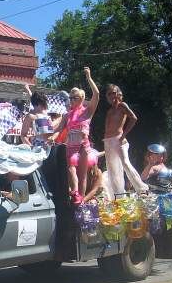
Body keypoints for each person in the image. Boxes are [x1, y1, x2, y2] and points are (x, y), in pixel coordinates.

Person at [50, 67, 100, 205]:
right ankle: (75, 192)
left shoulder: (87, 111)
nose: (71, 100)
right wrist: (51, 138)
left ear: (82, 98)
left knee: (82, 175)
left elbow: (96, 94)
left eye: (74, 98)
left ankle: (81, 201)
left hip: (83, 145)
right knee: (71, 168)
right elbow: (59, 129)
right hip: (71, 145)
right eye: (70, 98)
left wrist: (89, 78)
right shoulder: (67, 115)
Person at [103, 84, 148, 197]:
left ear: (118, 93)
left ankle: (142, 189)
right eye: (109, 94)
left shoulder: (122, 105)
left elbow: (133, 118)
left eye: (113, 92)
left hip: (119, 139)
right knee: (112, 168)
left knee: (125, 163)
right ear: (107, 97)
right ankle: (118, 195)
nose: (112, 95)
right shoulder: (109, 111)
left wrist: (123, 135)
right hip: (108, 141)